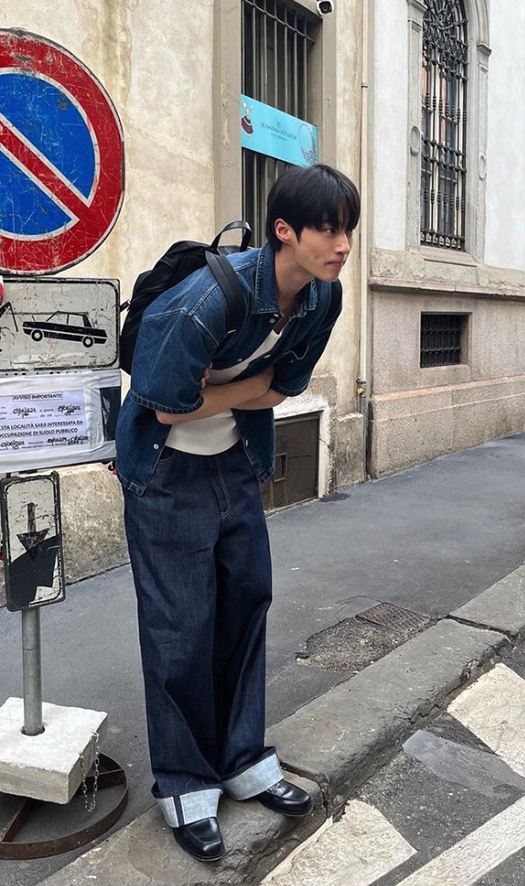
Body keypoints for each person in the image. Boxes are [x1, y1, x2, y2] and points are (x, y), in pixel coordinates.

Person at [115, 164, 360, 861]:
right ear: (285, 230)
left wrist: (229, 393)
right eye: (327, 228)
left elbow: (279, 390)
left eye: (347, 229)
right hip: (166, 472)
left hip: (233, 463)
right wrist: (243, 389)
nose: (341, 244)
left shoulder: (322, 298)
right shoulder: (205, 301)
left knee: (246, 605)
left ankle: (242, 759)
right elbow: (164, 404)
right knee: (179, 628)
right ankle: (186, 783)